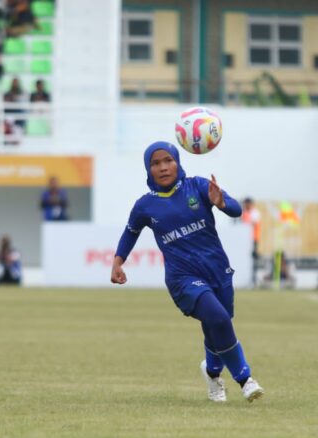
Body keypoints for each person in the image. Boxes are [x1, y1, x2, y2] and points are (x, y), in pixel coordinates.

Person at [110, 141, 265, 403]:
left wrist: (222, 203)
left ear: (178, 162)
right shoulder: (145, 206)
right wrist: (118, 261)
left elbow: (236, 209)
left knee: (216, 323)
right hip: (182, 278)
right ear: (148, 170)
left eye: (168, 160)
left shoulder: (199, 186)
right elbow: (130, 231)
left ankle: (213, 373)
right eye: (155, 163)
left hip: (217, 269)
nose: (163, 167)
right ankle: (245, 379)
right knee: (218, 319)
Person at [240, 197, 262, 286]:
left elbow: (251, 223)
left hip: (253, 239)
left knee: (253, 258)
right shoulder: (244, 213)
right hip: (244, 240)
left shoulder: (255, 213)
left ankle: (254, 279)